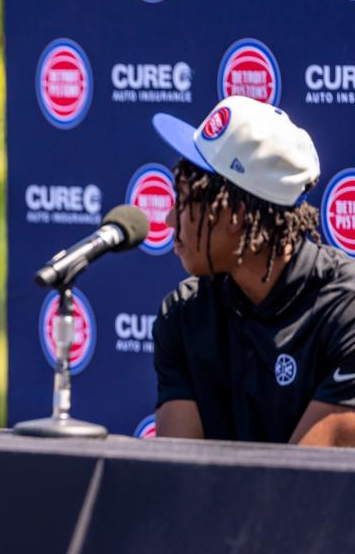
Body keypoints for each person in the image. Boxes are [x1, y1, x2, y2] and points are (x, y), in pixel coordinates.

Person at [151, 95, 355, 446]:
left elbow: (302, 484)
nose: (169, 219)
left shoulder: (346, 311)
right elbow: (178, 478)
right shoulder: (182, 313)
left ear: (236, 216)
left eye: (184, 200)